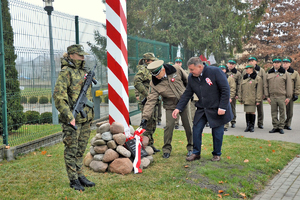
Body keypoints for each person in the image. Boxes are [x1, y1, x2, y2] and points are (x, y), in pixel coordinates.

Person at [173, 57, 233, 162]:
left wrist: (223, 107)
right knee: (196, 129)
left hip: (217, 107)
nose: (190, 72)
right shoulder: (192, 77)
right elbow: (187, 93)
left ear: (200, 66)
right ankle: (196, 153)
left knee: (217, 132)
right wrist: (178, 108)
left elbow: (225, 89)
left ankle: (216, 154)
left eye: (192, 69)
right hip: (202, 108)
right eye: (189, 70)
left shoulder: (215, 71)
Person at [53, 44, 95, 191]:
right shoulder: (66, 72)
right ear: (71, 55)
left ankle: (80, 175)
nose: (83, 57)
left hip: (85, 118)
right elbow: (59, 97)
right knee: (71, 150)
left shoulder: (84, 71)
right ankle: (73, 179)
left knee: (80, 149)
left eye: (83, 55)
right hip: (72, 119)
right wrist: (69, 116)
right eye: (79, 55)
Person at [140, 60, 193, 159]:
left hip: (183, 102)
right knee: (169, 126)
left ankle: (191, 148)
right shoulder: (154, 83)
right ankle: (166, 150)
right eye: (153, 74)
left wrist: (190, 94)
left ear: (163, 69)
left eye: (157, 74)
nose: (155, 77)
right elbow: (150, 101)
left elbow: (188, 81)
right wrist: (145, 118)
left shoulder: (176, 69)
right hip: (170, 105)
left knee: (188, 125)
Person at [134, 52, 160, 153]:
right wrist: (146, 94)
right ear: (146, 61)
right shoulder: (144, 70)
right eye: (151, 60)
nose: (153, 62)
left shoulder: (152, 70)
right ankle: (143, 145)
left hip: (153, 100)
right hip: (146, 101)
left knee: (152, 122)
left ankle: (150, 144)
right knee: (147, 122)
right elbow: (136, 82)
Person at [265, 56, 292, 134]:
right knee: (273, 112)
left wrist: (288, 97)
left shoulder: (285, 73)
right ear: (273, 63)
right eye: (275, 62)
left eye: (278, 63)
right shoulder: (269, 73)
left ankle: (281, 127)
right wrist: (267, 96)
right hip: (272, 96)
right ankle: (275, 126)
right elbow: (266, 85)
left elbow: (289, 86)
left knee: (282, 112)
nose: (276, 64)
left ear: (280, 63)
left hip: (281, 96)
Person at [238, 65, 263, 132]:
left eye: (248, 68)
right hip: (245, 98)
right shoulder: (244, 78)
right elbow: (240, 88)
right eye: (246, 69)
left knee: (252, 112)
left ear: (252, 69)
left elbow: (259, 90)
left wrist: (258, 100)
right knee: (247, 112)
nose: (246, 70)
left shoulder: (257, 78)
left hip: (252, 98)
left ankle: (252, 126)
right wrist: (240, 98)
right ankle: (248, 126)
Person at [247, 55, 266, 129]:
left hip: (259, 92)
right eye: (250, 61)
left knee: (260, 109)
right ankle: (250, 124)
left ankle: (260, 123)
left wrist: (264, 93)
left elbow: (264, 82)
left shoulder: (261, 70)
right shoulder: (247, 70)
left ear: (256, 62)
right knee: (250, 109)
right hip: (250, 93)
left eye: (252, 61)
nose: (251, 62)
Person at [282, 56, 300, 130]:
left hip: (290, 94)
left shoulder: (294, 73)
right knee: (282, 110)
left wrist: (296, 94)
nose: (285, 64)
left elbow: (297, 84)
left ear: (290, 64)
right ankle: (282, 123)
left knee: (289, 111)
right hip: (281, 94)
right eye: (284, 63)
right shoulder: (280, 72)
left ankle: (288, 124)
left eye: (287, 63)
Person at [219, 65, 236, 131]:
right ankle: (221, 124)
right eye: (220, 69)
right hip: (219, 97)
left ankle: (226, 125)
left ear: (225, 70)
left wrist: (231, 97)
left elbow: (233, 88)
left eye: (223, 69)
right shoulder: (217, 77)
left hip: (227, 97)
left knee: (228, 110)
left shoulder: (230, 78)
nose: (222, 70)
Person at [226, 58, 242, 128]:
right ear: (227, 64)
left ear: (235, 65)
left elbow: (239, 84)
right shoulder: (224, 71)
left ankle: (233, 121)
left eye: (233, 64)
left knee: (232, 108)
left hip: (233, 92)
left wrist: (237, 94)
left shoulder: (237, 73)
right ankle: (225, 121)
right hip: (224, 93)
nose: (231, 65)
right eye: (230, 64)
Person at [173, 57, 184, 129]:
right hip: (174, 92)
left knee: (184, 108)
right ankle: (176, 123)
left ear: (181, 63)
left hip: (183, 93)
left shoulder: (184, 71)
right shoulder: (172, 72)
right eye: (177, 62)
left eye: (179, 62)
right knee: (175, 107)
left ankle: (185, 123)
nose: (178, 64)